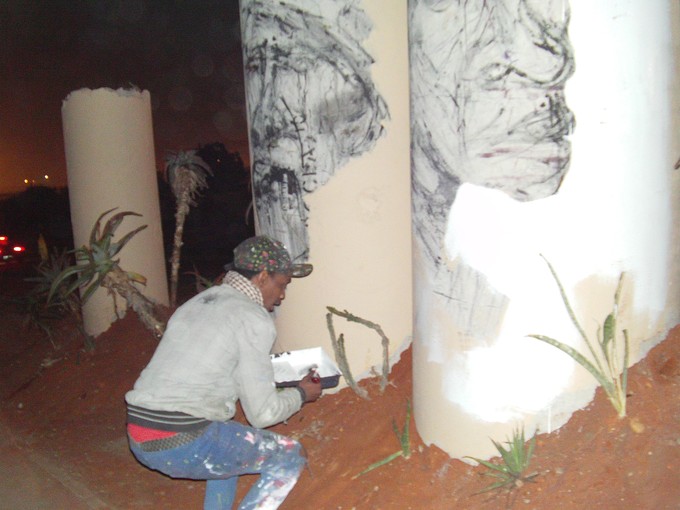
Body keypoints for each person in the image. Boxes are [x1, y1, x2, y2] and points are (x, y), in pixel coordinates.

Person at [125, 235, 321, 510]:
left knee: (228, 451)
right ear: (263, 277)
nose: (282, 295)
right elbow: (263, 415)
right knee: (290, 455)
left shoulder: (197, 304)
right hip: (182, 439)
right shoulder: (253, 318)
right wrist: (302, 394)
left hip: (139, 432)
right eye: (282, 284)